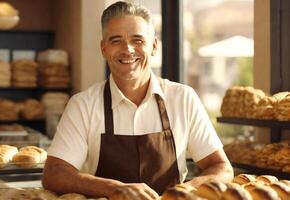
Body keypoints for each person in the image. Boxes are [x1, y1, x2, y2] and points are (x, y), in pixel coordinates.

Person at [42, 1, 233, 199]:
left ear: (154, 46)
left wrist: (185, 191)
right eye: (116, 40)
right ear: (104, 48)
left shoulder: (182, 98)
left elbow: (220, 167)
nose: (128, 50)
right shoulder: (83, 105)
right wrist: (112, 189)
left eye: (138, 40)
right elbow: (54, 173)